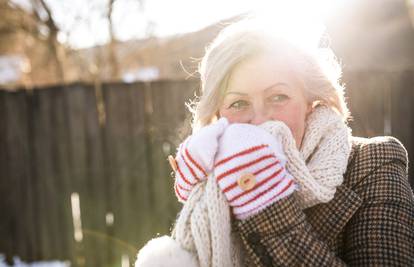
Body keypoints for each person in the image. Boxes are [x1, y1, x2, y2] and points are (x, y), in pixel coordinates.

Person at [136, 17, 414, 267]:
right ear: (218, 114)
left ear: (309, 101)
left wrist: (262, 197)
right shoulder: (213, 186)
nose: (259, 120)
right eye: (239, 103)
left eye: (278, 97)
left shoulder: (374, 162)